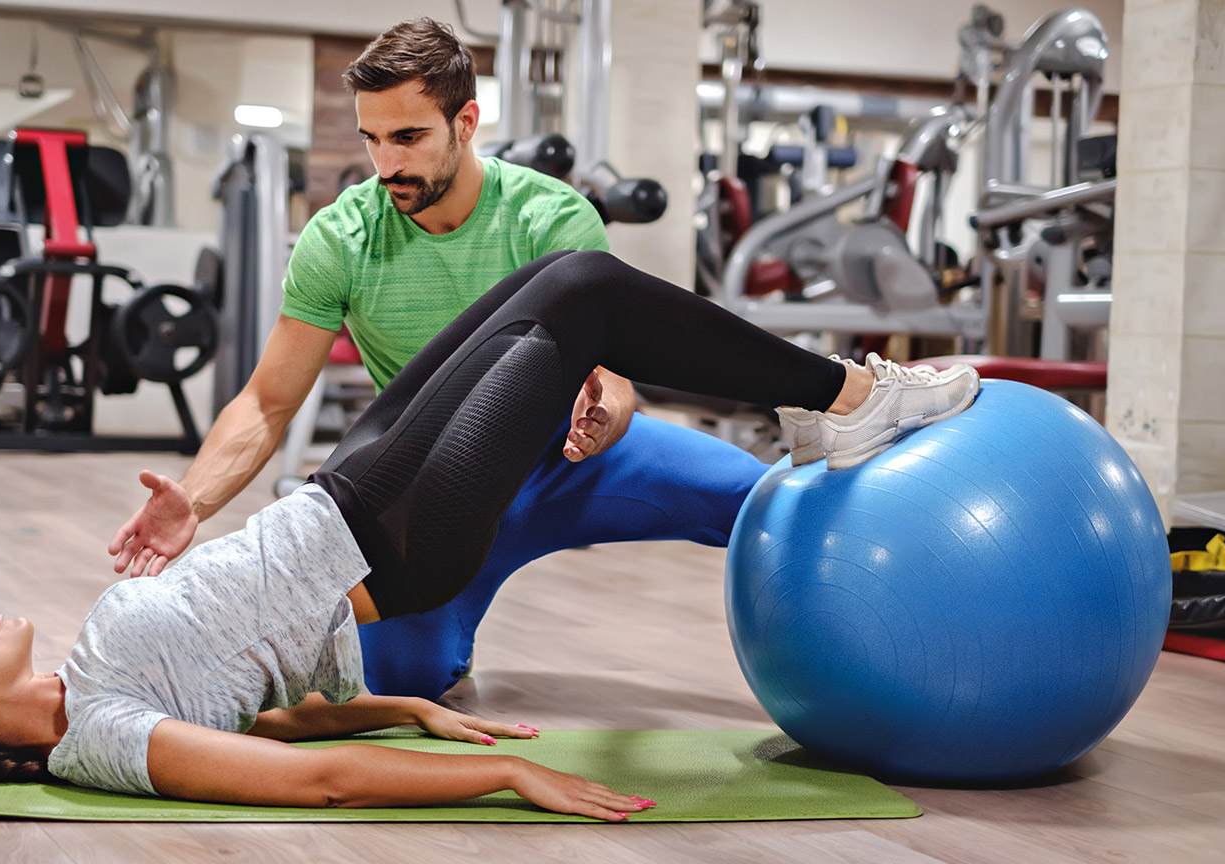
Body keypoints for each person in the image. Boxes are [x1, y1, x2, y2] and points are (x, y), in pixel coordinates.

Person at [0, 250, 978, 818]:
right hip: (394, 544)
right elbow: (311, 780)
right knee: (582, 295)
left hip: (339, 503)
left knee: (552, 277)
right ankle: (842, 399)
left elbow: (266, 712)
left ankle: (823, 401)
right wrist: (502, 788)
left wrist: (403, 703)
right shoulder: (98, 741)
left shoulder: (92, 685)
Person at [106, 18, 774, 700]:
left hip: (569, 463)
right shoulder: (339, 239)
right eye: (372, 140)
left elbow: (614, 381)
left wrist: (608, 410)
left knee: (768, 503)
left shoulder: (550, 217)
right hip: (440, 491)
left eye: (408, 137)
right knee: (402, 680)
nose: (387, 164)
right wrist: (196, 497)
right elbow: (266, 402)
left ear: (466, 122)